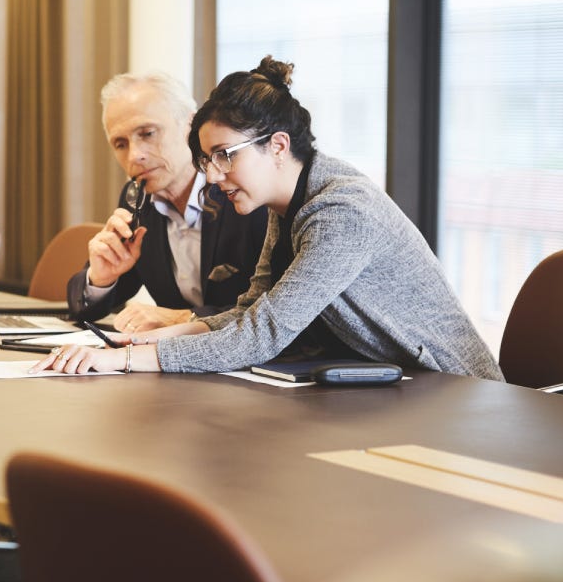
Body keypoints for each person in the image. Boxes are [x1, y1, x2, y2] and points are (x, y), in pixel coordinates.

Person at [36, 56, 503, 380]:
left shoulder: (341, 210)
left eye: (224, 156)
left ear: (277, 146)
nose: (214, 175)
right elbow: (248, 311)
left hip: (454, 392)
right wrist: (131, 347)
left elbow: (265, 332)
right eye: (207, 159)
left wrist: (126, 362)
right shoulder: (289, 204)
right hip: (400, 389)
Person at [66, 72, 267, 332]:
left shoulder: (243, 191)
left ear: (192, 127)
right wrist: (100, 279)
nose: (135, 156)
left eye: (148, 133)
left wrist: (183, 318)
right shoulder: (136, 201)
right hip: (175, 366)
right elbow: (84, 309)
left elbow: (278, 310)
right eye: (120, 143)